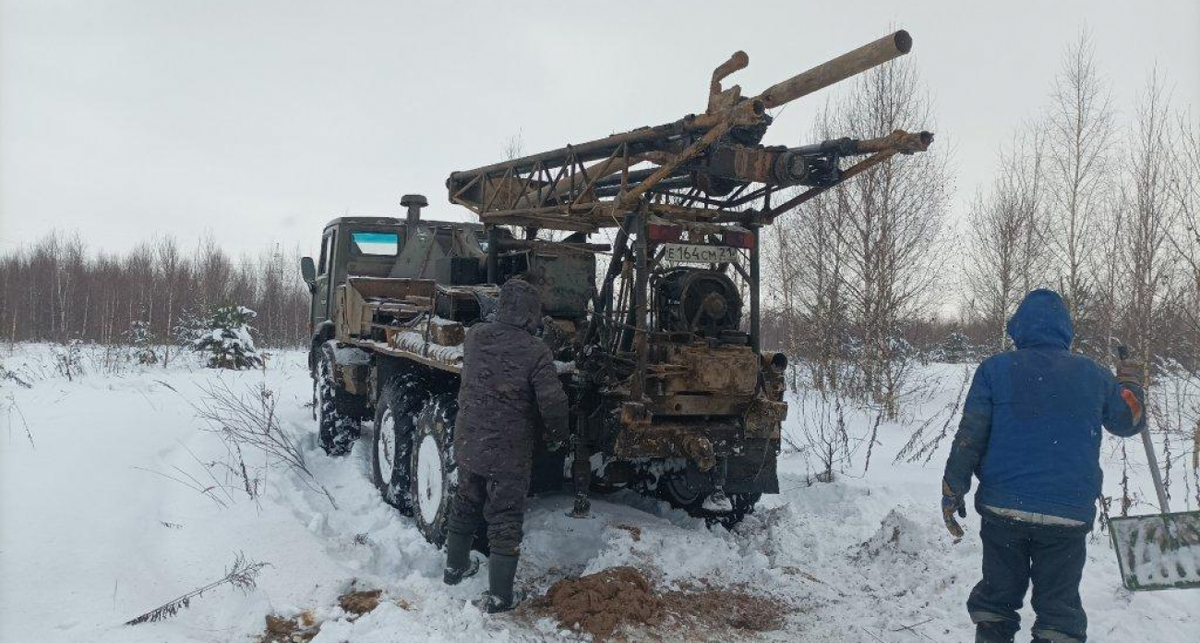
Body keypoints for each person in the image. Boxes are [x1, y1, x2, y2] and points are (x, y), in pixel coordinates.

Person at [941, 289, 1146, 643]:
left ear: (1018, 329)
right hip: (1066, 515)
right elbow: (1128, 421)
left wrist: (952, 488)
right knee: (1058, 615)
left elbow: (969, 436)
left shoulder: (995, 369)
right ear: (1066, 330)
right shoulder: (1094, 375)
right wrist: (1128, 382)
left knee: (997, 604)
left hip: (1003, 509)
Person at [442, 278, 569, 613]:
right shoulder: (535, 351)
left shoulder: (475, 337)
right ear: (531, 314)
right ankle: (499, 597)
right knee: (505, 517)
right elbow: (553, 403)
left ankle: (454, 569)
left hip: (469, 440)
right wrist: (558, 438)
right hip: (508, 450)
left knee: (466, 501)